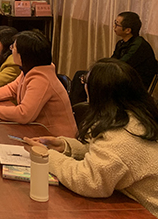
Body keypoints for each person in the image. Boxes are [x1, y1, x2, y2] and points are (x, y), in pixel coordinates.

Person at [25, 58, 158, 217]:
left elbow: (88, 180)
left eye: (85, 82)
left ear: (99, 93)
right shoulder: (134, 119)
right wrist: (65, 147)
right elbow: (107, 158)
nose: (84, 87)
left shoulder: (121, 135)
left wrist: (47, 157)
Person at [0, 30, 77, 137]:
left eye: (13, 48)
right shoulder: (30, 70)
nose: (11, 51)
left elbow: (23, 114)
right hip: (38, 131)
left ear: (23, 55)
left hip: (56, 137)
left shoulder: (41, 79)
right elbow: (12, 89)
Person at [70, 11, 158, 105]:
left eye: (117, 24)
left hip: (132, 85)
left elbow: (120, 65)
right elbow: (111, 62)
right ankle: (77, 109)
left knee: (90, 79)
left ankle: (80, 109)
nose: (113, 26)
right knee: (81, 75)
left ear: (128, 30)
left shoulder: (139, 46)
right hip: (121, 78)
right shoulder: (121, 43)